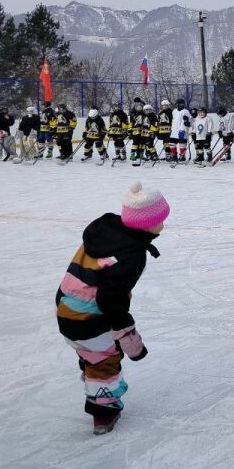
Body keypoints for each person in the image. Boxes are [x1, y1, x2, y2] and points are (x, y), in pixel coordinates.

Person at [56, 181, 170, 435]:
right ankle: (104, 413)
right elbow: (111, 301)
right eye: (161, 219)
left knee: (92, 353)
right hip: (89, 318)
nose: (164, 224)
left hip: (67, 308)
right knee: (106, 361)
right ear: (147, 223)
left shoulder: (104, 232)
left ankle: (91, 365)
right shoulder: (131, 255)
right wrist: (129, 338)